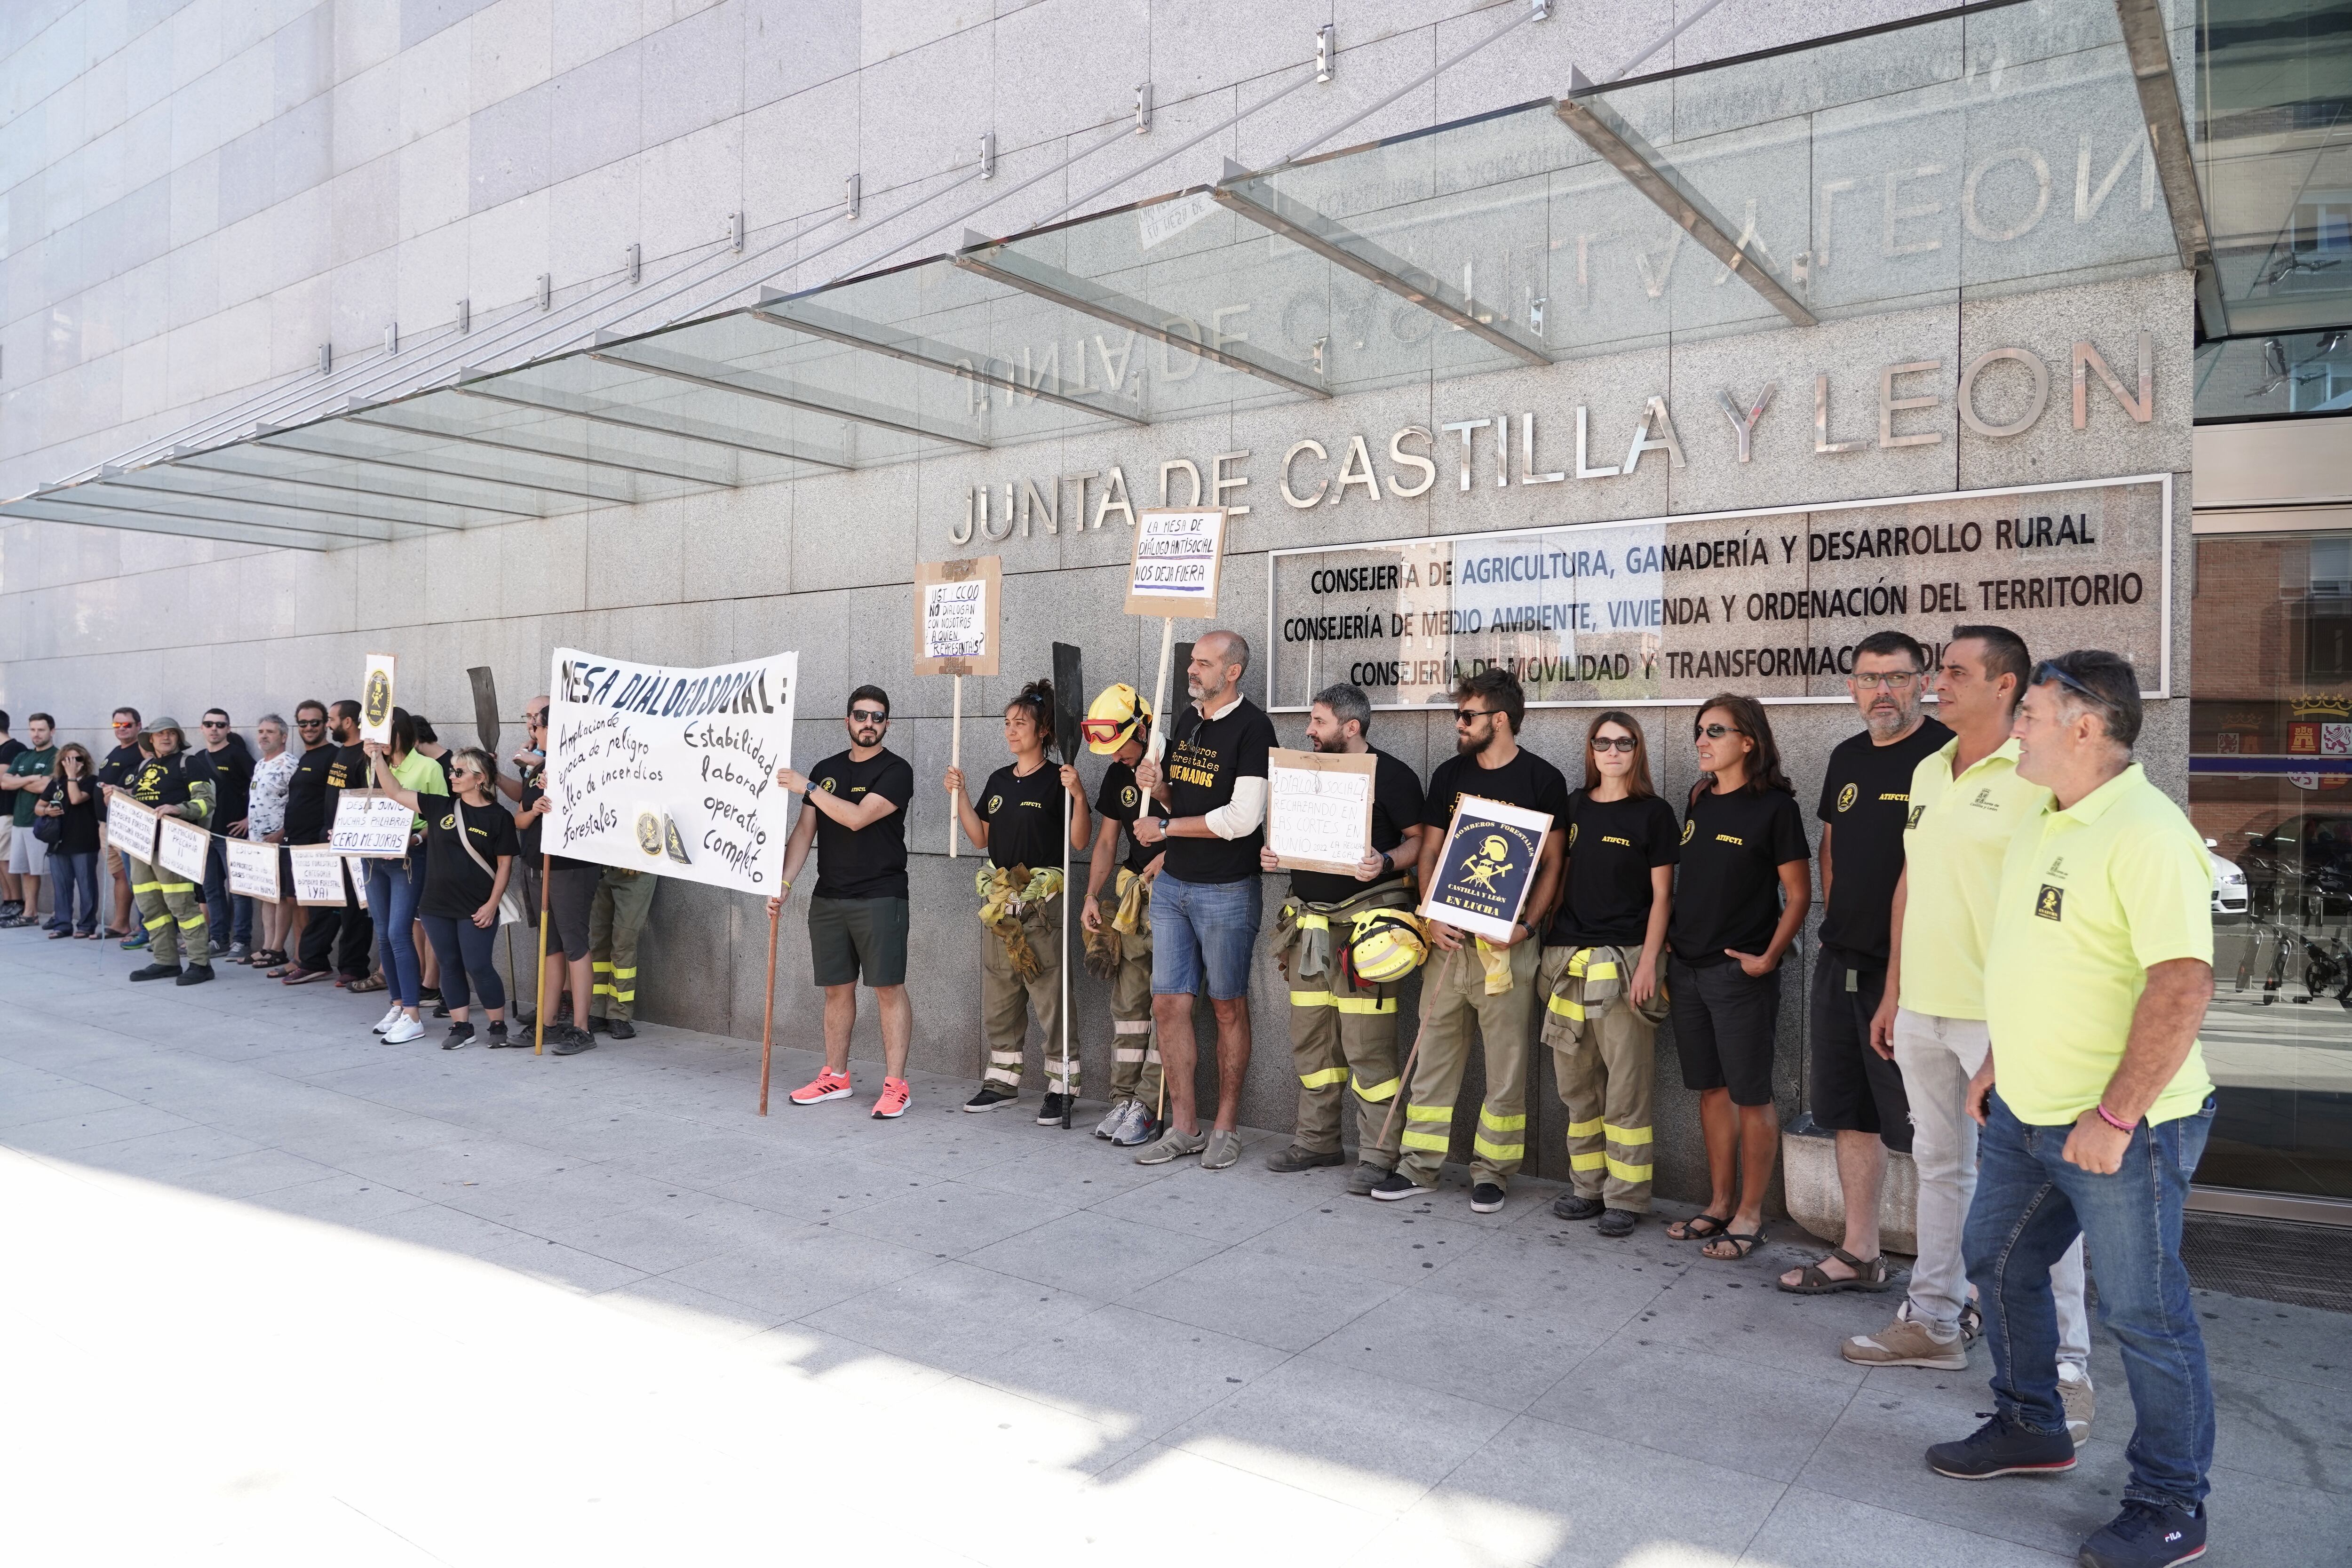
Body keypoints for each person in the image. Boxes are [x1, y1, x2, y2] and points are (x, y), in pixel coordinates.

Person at [1926, 651, 2219, 1568]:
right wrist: (2004, 1063)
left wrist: (2118, 1114)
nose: (2017, 726)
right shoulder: (2046, 818)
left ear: (2085, 726)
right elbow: (2036, 955)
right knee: (1997, 1259)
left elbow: (2181, 982)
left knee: (2145, 1311)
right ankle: (2029, 1424)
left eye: (2034, 714)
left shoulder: (2145, 829)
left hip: (2125, 1126)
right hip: (2025, 1107)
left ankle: (2172, 1504)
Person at [1847, 630, 2097, 1421]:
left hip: (2005, 1016)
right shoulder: (1928, 767)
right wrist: (1893, 988)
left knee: (2041, 1189)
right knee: (1939, 1164)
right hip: (1924, 1004)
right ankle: (1933, 1321)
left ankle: (2066, 1368)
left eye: (1954, 672)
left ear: (2006, 685)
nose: (1937, 683)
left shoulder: (2039, 774)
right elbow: (1911, 882)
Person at [1779, 632, 1952, 1294]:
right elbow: (1830, 848)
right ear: (1851, 688)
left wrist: (1907, 972)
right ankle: (1859, 1253)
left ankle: (1953, 1283)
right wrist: (1833, 925)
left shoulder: (1946, 756)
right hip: (1841, 962)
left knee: (1932, 1133)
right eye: (1869, 678)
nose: (1883, 691)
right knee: (1849, 1113)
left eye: (1897, 678)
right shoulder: (1847, 756)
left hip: (1913, 975)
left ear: (1922, 683)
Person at [1369, 668, 1568, 1212]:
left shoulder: (1541, 781)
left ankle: (1493, 1173)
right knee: (1432, 1057)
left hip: (1507, 949)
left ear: (1498, 721)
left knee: (1506, 1067)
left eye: (1466, 716)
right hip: (1448, 944)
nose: (1458, 724)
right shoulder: (1450, 773)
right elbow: (1429, 852)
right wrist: (1430, 915)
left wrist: (1525, 927)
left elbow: (1554, 864)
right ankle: (1418, 1166)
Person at [1260, 682, 1426, 1194]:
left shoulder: (1393, 776)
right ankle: (1316, 1141)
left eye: (1318, 722)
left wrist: (1386, 861)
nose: (1308, 731)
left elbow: (1420, 842)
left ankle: (1377, 1155)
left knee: (1368, 1051)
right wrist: (1273, 856)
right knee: (1310, 1044)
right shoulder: (1304, 774)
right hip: (1308, 928)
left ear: (1350, 729)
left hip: (1366, 935)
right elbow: (1288, 835)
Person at [1664, 694, 1810, 1260]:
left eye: (1715, 731)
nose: (1702, 741)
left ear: (1747, 741)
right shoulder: (1698, 800)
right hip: (1689, 969)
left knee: (1750, 1095)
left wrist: (1767, 958)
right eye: (1699, 731)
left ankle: (1750, 1214)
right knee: (1711, 1090)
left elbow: (1797, 895)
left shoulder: (1774, 808)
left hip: (1738, 972)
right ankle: (1719, 1203)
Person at [1129, 631, 1279, 1170]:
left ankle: (1225, 1127)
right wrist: (1159, 784)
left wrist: (1165, 824)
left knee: (1226, 1006)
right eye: (1191, 662)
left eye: (1204, 663)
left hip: (1227, 889)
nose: (1192, 670)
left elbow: (1242, 820)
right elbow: (1182, 796)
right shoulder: (1188, 721)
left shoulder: (1254, 727)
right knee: (1168, 1004)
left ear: (1232, 672)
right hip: (1173, 886)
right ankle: (1183, 1126)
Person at [1538, 711, 1679, 1236]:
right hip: (1568, 964)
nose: (1613, 751)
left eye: (1624, 743)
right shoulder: (1572, 807)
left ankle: (1626, 1197)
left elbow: (1663, 896)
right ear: (1591, 750)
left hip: (1623, 965)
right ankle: (1586, 1189)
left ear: (1637, 750)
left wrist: (1648, 962)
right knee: (1576, 1085)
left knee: (1625, 1087)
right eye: (1603, 742)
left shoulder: (1653, 814)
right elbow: (1554, 875)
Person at [767, 685, 917, 1116]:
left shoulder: (896, 770)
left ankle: (896, 1085)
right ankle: (836, 1076)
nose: (868, 723)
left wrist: (807, 785)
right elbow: (803, 833)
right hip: (829, 897)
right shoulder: (827, 769)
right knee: (837, 990)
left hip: (880, 896)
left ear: (887, 724)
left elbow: (855, 818)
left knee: (888, 988)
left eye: (877, 716)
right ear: (847, 720)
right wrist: (785, 883)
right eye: (861, 715)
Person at [950, 678, 1091, 1120]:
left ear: (1043, 730)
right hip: (999, 906)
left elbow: (1080, 842)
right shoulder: (998, 780)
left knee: (1051, 994)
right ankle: (1002, 1082)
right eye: (1007, 723)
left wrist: (1080, 796)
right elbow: (979, 838)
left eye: (1021, 723)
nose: (1011, 731)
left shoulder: (1057, 780)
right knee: (1000, 994)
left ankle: (1061, 1086)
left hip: (1041, 906)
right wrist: (961, 795)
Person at [381, 746, 518, 1049]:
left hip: (477, 905)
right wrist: (377, 756)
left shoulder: (500, 817)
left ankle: (498, 1025)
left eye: (459, 772)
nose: (452, 776)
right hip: (436, 905)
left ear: (480, 779)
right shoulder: (439, 806)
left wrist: (492, 904)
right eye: (451, 771)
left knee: (478, 964)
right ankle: (461, 1026)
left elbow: (505, 864)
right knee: (449, 963)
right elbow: (393, 791)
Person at [1079, 683, 1166, 1148]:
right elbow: (1108, 841)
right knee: (1128, 1008)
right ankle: (1123, 1097)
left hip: (1174, 898)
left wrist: (1169, 859)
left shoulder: (1180, 763)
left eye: (1120, 747)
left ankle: (1149, 1107)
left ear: (1144, 727)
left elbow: (1212, 822)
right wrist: (1092, 895)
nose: (1113, 758)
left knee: (1165, 1008)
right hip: (1131, 903)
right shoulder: (1118, 774)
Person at [362, 709, 450, 1044]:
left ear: (398, 733)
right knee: (383, 932)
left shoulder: (427, 767)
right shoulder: (373, 764)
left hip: (410, 857)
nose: (376, 741)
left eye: (382, 733)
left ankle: (413, 1013)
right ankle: (398, 1005)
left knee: (400, 931)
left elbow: (441, 818)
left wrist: (416, 838)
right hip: (373, 858)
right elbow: (363, 806)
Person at [109, 716, 216, 985]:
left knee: (182, 906)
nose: (166, 738)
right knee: (150, 907)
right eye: (160, 734)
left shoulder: (190, 764)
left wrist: (178, 809)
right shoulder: (146, 765)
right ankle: (166, 961)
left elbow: (206, 803)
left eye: (171, 734)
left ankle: (200, 964)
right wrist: (120, 795)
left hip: (172, 845)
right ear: (151, 740)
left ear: (178, 738)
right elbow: (140, 800)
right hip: (142, 848)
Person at [286, 700, 377, 989]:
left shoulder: (364, 754)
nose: (327, 726)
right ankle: (313, 961)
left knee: (355, 910)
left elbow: (368, 797)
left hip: (354, 842)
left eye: (331, 720)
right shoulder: (343, 752)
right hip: (330, 841)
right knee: (325, 905)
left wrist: (348, 830)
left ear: (348, 722)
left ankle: (353, 967)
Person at [193, 708, 255, 960]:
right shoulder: (196, 759)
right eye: (209, 724)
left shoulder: (238, 755)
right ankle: (219, 940)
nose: (214, 729)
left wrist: (249, 820)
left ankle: (242, 941)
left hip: (233, 834)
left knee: (239, 891)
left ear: (229, 729)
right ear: (202, 728)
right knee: (211, 889)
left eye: (220, 725)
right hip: (205, 834)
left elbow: (258, 786)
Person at [243, 714, 299, 970]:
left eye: (271, 732)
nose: (264, 736)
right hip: (258, 842)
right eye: (261, 731)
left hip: (279, 840)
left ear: (284, 737)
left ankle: (278, 948)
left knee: (282, 897)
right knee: (266, 894)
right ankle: (266, 946)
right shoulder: (259, 765)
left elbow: (297, 803)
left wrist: (284, 831)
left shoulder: (289, 764)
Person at [34, 743, 102, 938]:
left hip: (83, 841)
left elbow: (76, 799)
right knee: (62, 886)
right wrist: (48, 811)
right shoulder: (56, 782)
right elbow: (39, 807)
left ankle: (86, 925)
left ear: (85, 761)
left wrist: (72, 776)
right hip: (58, 842)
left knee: (86, 885)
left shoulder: (91, 781)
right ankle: (63, 924)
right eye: (68, 760)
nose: (72, 763)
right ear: (61, 762)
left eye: (77, 759)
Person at [586, 863, 659, 1040]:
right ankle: (597, 1010)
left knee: (623, 943)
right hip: (600, 868)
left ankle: (619, 1014)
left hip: (636, 871)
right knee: (598, 943)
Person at [0, 712, 58, 928]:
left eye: (41, 730)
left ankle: (58, 913)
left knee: (47, 870)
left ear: (52, 731)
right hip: (20, 821)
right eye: (33, 730)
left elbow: (46, 786)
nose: (36, 734)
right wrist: (33, 779)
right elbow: (4, 783)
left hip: (41, 821)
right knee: (27, 870)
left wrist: (20, 781)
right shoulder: (24, 756)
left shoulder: (56, 756)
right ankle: (30, 913)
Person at [98, 708, 147, 943]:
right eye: (117, 726)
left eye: (127, 725)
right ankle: (121, 923)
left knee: (136, 876)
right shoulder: (116, 751)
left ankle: (144, 926)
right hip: (106, 824)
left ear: (139, 726)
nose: (122, 730)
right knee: (119, 875)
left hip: (127, 825)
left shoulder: (140, 752)